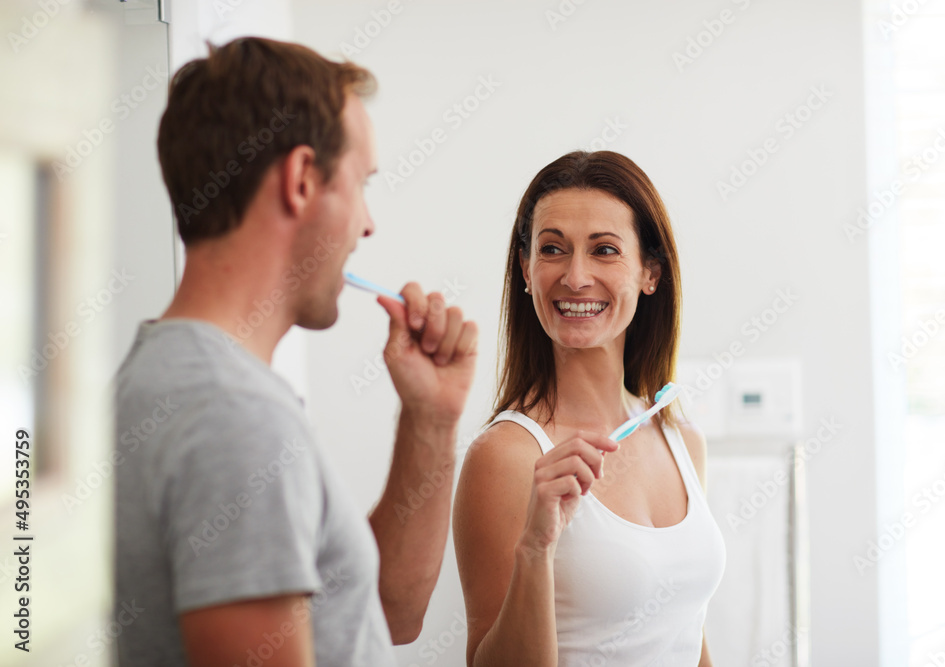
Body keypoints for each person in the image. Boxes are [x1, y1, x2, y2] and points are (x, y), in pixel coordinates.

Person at [114, 37, 477, 666]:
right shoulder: (231, 415)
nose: (368, 224)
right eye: (361, 184)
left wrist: (432, 418)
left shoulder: (176, 379)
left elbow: (383, 613)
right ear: (303, 179)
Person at [453, 151, 726, 666]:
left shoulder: (682, 438)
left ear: (650, 272)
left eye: (604, 250)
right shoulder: (505, 456)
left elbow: (689, 635)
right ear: (527, 270)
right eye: (552, 249)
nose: (575, 277)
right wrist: (536, 547)